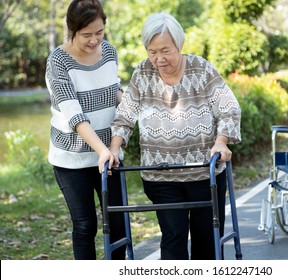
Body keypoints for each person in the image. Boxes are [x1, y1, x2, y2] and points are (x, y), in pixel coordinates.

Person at [107, 12, 241, 260]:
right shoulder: (142, 73)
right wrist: (115, 147)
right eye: (152, 51)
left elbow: (229, 108)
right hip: (161, 175)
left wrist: (221, 142)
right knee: (173, 237)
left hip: (204, 173)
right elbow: (124, 115)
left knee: (207, 241)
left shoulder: (201, 69)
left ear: (180, 44)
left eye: (165, 50)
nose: (159, 58)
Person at [45, 0, 126, 260]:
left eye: (99, 32)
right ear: (72, 30)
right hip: (72, 159)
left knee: (119, 224)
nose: (94, 41)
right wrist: (102, 150)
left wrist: (132, 110)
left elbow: (114, 92)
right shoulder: (58, 61)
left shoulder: (110, 52)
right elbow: (74, 115)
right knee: (85, 226)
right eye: (87, 35)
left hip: (109, 155)